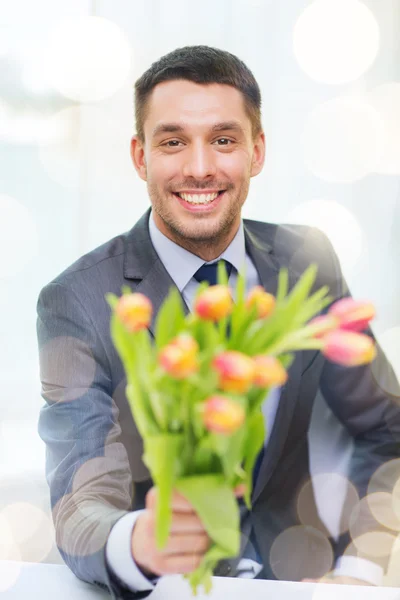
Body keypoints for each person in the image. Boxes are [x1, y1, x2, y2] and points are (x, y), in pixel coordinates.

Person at [37, 45, 400, 600]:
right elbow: (79, 498)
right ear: (140, 157)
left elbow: (385, 425)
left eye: (224, 140)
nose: (200, 167)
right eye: (173, 141)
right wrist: (137, 543)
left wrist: (361, 569)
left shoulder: (308, 261)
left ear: (257, 152)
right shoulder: (78, 298)